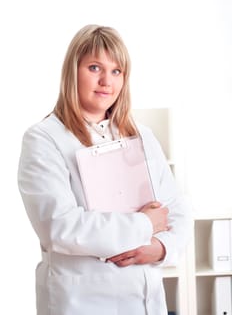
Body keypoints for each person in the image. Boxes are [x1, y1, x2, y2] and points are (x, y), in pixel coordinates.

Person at [18, 24, 192, 315]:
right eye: (95, 67)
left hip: (146, 300)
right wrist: (145, 226)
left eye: (116, 71)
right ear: (72, 71)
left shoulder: (141, 135)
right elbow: (60, 227)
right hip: (82, 302)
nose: (105, 81)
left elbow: (177, 210)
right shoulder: (44, 139)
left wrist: (160, 248)